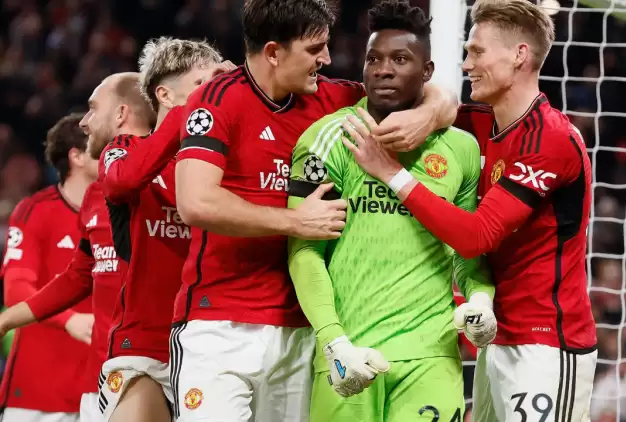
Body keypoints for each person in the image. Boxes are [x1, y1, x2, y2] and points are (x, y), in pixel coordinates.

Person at [171, 0, 457, 420]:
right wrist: (294, 220)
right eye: (314, 49)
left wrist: (429, 115)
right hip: (220, 324)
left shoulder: (329, 98)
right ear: (273, 52)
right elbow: (195, 202)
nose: (326, 59)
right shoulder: (216, 99)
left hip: (301, 330)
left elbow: (427, 92)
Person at [341, 1, 598, 421]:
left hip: (546, 343)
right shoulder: (479, 122)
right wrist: (430, 112)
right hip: (494, 338)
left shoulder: (550, 139)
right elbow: (437, 99)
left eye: (477, 52)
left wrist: (391, 174)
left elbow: (477, 236)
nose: (466, 65)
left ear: (519, 55)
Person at [287, 1, 495, 421]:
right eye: (374, 59)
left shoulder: (461, 149)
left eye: (400, 59)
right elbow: (305, 251)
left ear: (428, 71)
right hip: (349, 353)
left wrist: (481, 299)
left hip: (430, 356)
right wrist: (334, 342)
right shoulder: (329, 138)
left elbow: (466, 249)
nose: (383, 70)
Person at [93, 38, 231, 422]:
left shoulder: (224, 162)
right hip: (146, 344)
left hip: (214, 343)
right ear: (165, 95)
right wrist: (192, 111)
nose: (213, 94)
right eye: (202, 84)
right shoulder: (125, 149)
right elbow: (122, 182)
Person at [0, 118, 127, 422]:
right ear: (76, 156)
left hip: (106, 386)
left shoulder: (123, 210)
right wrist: (68, 320)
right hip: (39, 394)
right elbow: (15, 290)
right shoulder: (36, 210)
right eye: (101, 145)